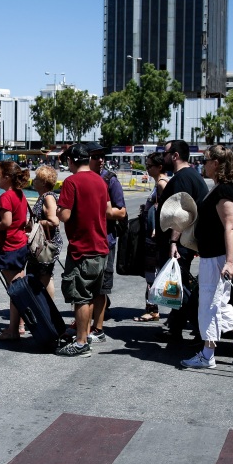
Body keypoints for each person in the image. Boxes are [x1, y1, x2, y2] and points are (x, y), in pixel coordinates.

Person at [180, 145, 233, 369]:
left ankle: (208, 355)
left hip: (218, 257)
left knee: (210, 304)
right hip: (214, 255)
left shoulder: (224, 190)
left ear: (216, 163)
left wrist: (228, 261)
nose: (202, 165)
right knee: (219, 303)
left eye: (205, 161)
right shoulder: (222, 188)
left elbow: (230, 227)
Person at [54, 143, 111, 357]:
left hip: (82, 248)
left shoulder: (71, 182)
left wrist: (58, 209)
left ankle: (80, 342)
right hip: (100, 247)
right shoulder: (100, 181)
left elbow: (65, 215)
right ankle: (85, 336)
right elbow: (106, 209)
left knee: (80, 297)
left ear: (72, 161)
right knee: (91, 294)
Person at [156, 140, 210, 344]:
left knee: (178, 289)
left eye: (166, 153)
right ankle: (176, 328)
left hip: (179, 245)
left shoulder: (182, 179)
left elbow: (181, 215)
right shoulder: (192, 175)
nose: (164, 157)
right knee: (176, 287)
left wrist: (172, 243)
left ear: (176, 156)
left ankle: (201, 329)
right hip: (186, 243)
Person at [86, 144, 128, 342]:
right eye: (95, 156)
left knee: (102, 287)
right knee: (86, 285)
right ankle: (85, 324)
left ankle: (98, 329)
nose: (100, 159)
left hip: (106, 241)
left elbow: (121, 212)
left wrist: (97, 209)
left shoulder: (110, 181)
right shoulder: (83, 179)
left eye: (102, 156)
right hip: (87, 240)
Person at [0, 161, 31, 341]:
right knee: (19, 287)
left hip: (10, 246)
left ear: (7, 177)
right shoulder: (19, 193)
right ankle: (19, 324)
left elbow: (6, 222)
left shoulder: (6, 196)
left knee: (14, 290)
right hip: (20, 244)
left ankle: (13, 330)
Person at [136, 152, 168, 322]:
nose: (147, 169)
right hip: (151, 236)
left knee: (152, 274)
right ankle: (151, 308)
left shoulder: (162, 184)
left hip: (154, 238)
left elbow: (167, 209)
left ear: (160, 167)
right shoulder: (158, 184)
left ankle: (152, 309)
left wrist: (157, 227)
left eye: (150, 166)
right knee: (151, 274)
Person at [25, 164, 62, 305]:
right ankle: (47, 308)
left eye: (37, 179)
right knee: (46, 276)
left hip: (46, 244)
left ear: (43, 183)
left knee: (45, 277)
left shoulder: (48, 198)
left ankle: (47, 309)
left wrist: (36, 224)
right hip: (45, 243)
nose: (34, 181)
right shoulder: (45, 197)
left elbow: (54, 221)